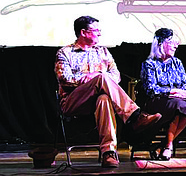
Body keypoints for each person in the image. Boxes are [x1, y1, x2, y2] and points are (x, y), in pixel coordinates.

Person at [54, 16, 161, 168]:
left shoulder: (103, 52)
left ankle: (108, 153)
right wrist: (91, 78)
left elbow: (116, 76)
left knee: (103, 98)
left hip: (98, 101)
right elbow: (65, 79)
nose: (99, 34)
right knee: (102, 77)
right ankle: (135, 116)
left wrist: (98, 78)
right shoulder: (65, 53)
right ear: (84, 32)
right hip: (74, 100)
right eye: (96, 30)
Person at [139, 28, 186, 160]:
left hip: (176, 102)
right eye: (172, 42)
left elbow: (185, 85)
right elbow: (150, 89)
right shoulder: (149, 64)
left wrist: (184, 93)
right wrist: (172, 91)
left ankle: (165, 146)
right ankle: (167, 146)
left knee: (184, 108)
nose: (176, 45)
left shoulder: (177, 63)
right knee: (179, 107)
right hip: (156, 101)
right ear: (160, 43)